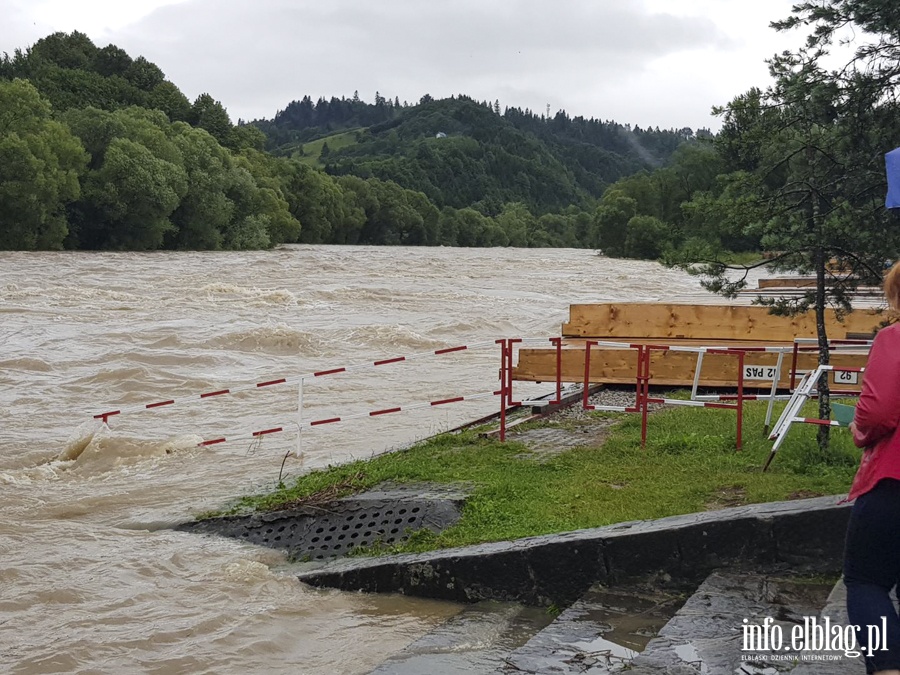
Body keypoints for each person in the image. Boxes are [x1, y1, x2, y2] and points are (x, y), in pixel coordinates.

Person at [845, 260, 900, 675]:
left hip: (892, 483)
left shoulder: (893, 338)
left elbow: (878, 413)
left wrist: (858, 430)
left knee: (866, 581)